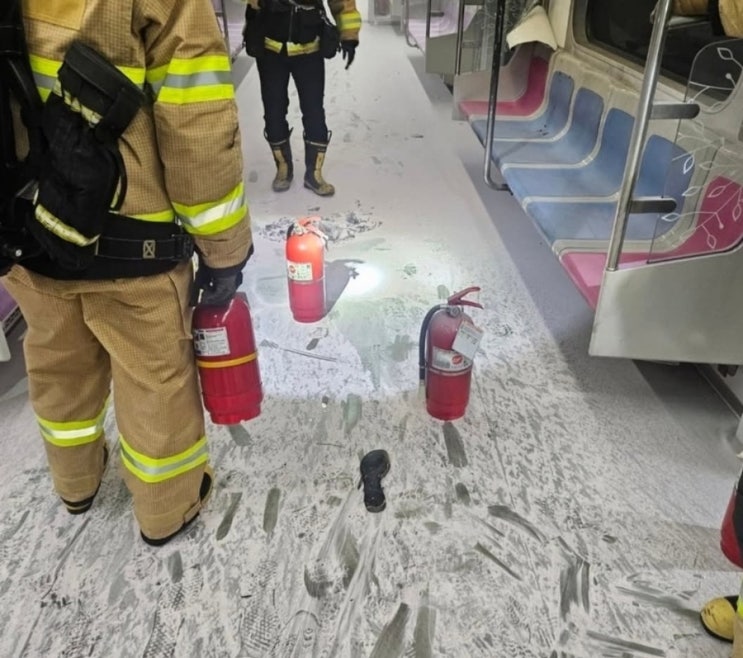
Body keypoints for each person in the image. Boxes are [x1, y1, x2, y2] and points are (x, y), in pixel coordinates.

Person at [0, 0, 252, 546]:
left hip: (23, 229)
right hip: (131, 240)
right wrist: (223, 246)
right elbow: (194, 119)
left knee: (57, 362)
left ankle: (75, 482)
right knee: (152, 379)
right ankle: (167, 506)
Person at [242, 0, 362, 196]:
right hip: (271, 51)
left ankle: (314, 175)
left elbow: (342, 2)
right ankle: (283, 168)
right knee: (273, 114)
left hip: (310, 51)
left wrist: (349, 36)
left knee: (315, 114)